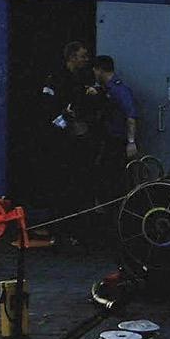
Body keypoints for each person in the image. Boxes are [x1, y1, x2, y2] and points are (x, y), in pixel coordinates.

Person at [36, 40, 96, 220]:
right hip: (57, 138)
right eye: (83, 56)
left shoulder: (80, 78)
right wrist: (65, 123)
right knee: (58, 178)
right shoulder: (55, 79)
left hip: (74, 137)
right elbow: (47, 110)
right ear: (72, 57)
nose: (86, 60)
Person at [86, 54, 139, 202]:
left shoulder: (119, 90)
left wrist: (131, 141)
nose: (94, 75)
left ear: (100, 70)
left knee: (115, 179)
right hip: (106, 139)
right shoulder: (104, 90)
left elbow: (131, 116)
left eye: (95, 71)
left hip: (116, 141)